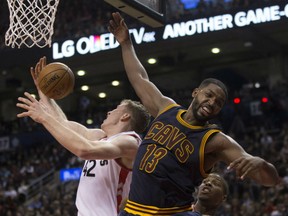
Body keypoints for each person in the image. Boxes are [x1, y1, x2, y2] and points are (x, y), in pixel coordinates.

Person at [107, 12, 281, 215]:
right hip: (133, 211)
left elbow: (271, 180)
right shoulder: (166, 108)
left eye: (218, 103)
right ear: (195, 92)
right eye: (209, 95)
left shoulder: (215, 141)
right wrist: (126, 43)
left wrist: (262, 163)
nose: (212, 102)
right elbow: (139, 78)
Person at [16, 57, 151, 216]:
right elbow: (63, 124)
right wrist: (45, 92)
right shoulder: (100, 137)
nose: (109, 112)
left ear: (125, 116)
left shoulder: (130, 142)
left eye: (116, 109)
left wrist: (44, 117)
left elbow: (84, 150)